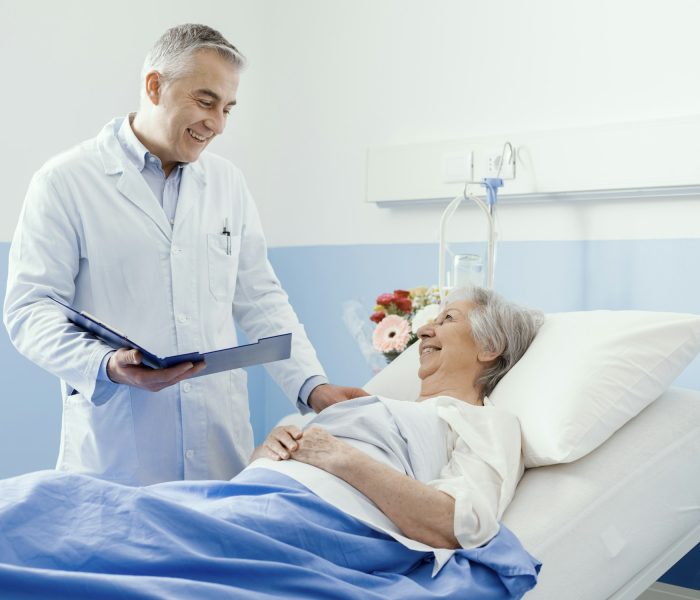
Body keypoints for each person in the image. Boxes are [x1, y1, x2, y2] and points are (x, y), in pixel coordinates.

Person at [0, 286, 543, 599]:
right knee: (61, 505)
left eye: (446, 319)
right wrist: (269, 453)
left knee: (61, 517)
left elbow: (461, 524)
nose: (425, 328)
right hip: (248, 500)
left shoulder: (484, 422)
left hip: (315, 523)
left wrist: (340, 456)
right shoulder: (388, 404)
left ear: (490, 348)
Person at [2, 24, 364, 487]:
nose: (217, 123)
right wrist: (107, 366)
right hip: (119, 449)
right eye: (205, 101)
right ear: (155, 86)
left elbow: (260, 298)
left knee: (216, 551)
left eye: (228, 108)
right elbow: (30, 310)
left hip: (218, 439)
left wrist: (312, 385)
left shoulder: (227, 183)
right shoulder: (65, 181)